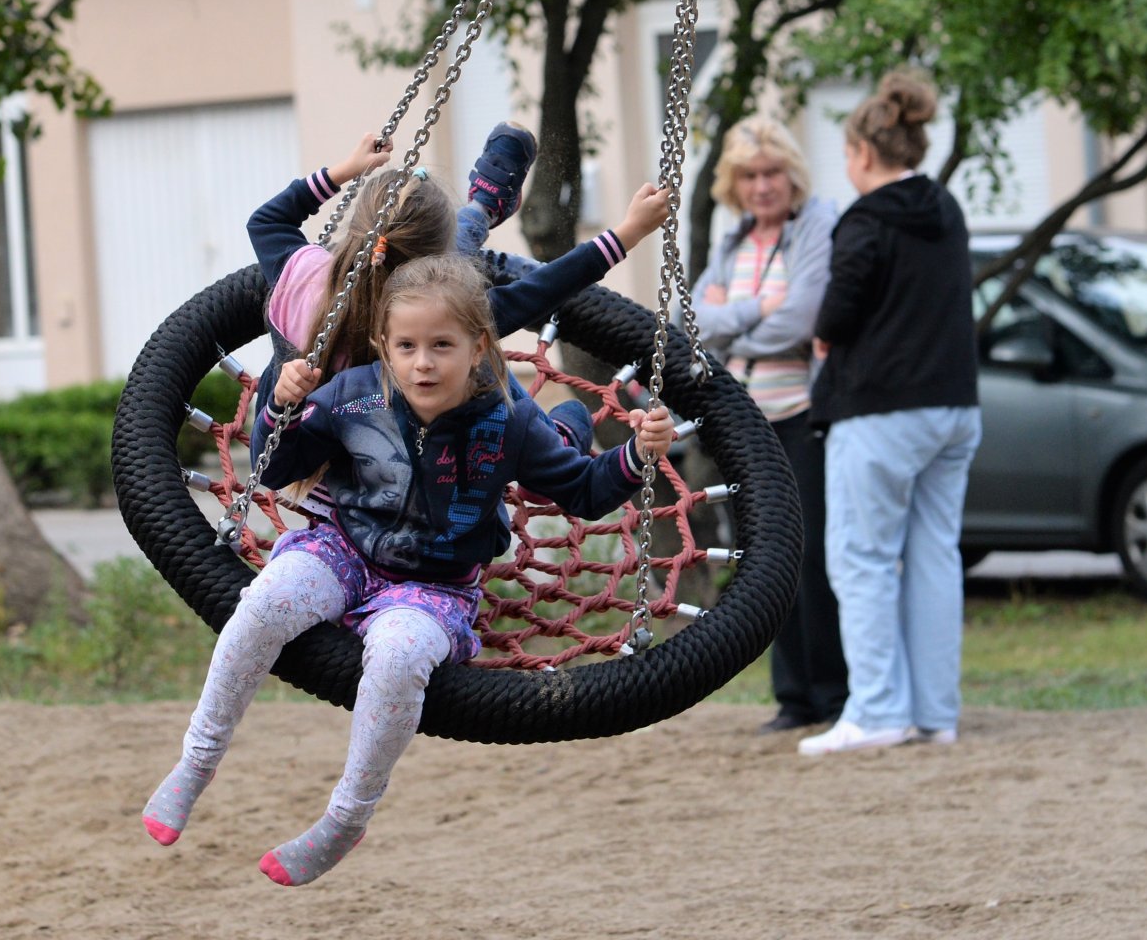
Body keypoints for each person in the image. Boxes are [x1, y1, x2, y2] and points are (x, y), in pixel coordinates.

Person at [143, 254, 677, 885]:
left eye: (442, 346)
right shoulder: (353, 394)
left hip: (436, 587)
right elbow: (275, 465)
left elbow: (583, 493)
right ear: (384, 346)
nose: (424, 363)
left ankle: (345, 819)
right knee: (265, 602)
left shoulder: (507, 418)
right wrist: (277, 405)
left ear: (479, 347)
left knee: (397, 659)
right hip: (345, 551)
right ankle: (197, 762)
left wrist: (638, 456)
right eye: (407, 346)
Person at [245, 125, 671, 483]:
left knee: (454, 286)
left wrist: (347, 169)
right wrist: (628, 233)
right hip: (356, 455)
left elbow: (265, 221)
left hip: (292, 431)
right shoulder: (436, 316)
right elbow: (541, 289)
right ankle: (553, 439)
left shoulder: (298, 272)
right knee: (473, 350)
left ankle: (483, 207)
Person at [799, 70, 982, 757]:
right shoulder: (946, 210)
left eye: (846, 154)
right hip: (955, 407)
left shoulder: (866, 221)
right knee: (934, 554)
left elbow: (837, 313)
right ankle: (936, 713)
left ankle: (877, 710)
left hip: (879, 410)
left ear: (865, 154)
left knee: (862, 558)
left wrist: (825, 332)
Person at [692, 116, 844, 734]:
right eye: (751, 176)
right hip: (744, 423)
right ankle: (792, 698)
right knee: (763, 560)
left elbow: (802, 319)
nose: (763, 186)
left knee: (810, 556)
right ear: (735, 183)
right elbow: (694, 318)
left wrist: (734, 317)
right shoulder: (733, 244)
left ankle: (832, 694)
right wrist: (758, 309)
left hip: (799, 415)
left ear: (792, 176)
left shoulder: (814, 231)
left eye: (773, 172)